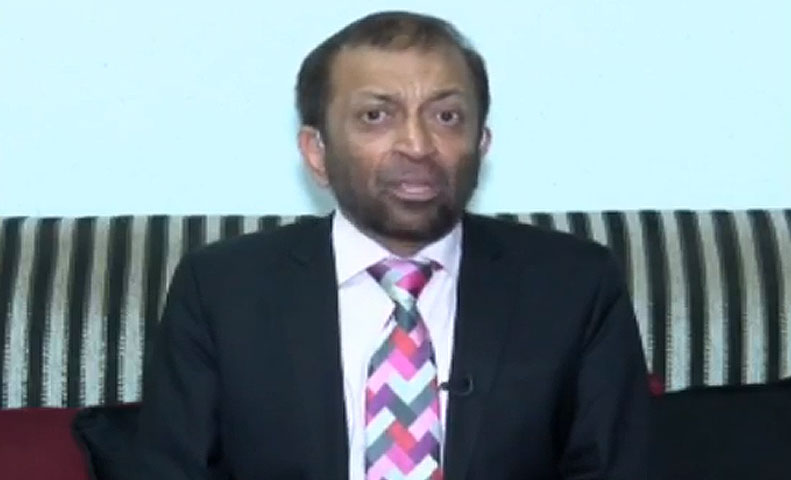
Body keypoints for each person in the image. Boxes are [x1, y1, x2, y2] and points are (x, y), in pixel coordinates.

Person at [138, 10, 648, 480]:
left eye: (447, 117)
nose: (418, 146)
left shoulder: (574, 286)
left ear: (481, 144)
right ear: (317, 152)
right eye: (376, 116)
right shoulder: (221, 291)